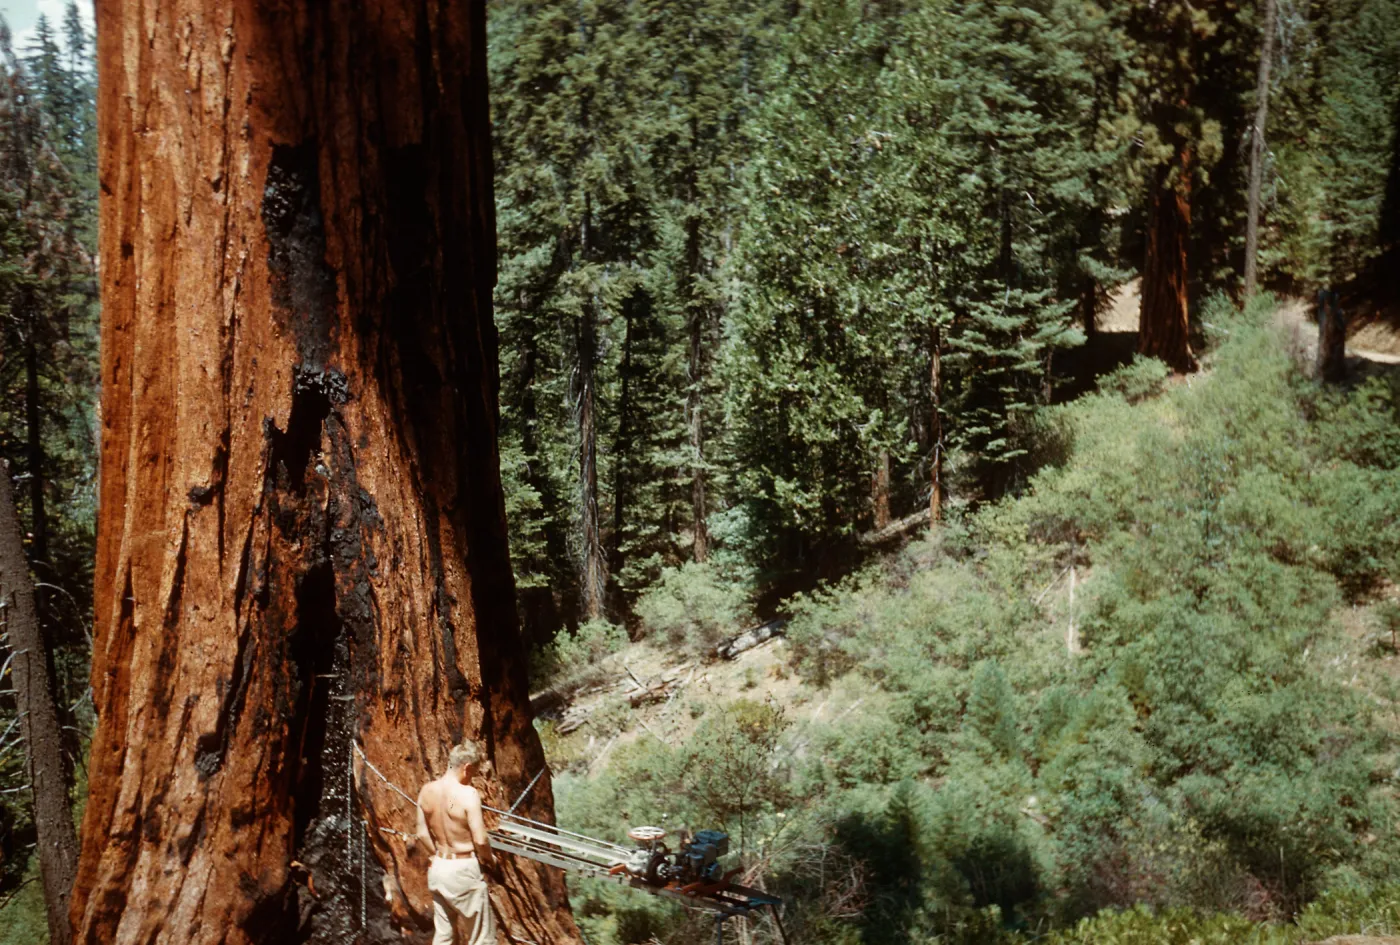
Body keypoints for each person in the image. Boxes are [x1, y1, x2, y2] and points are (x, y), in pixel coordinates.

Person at [417, 741, 498, 945]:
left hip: (438, 868)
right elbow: (480, 839)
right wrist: (490, 859)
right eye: (473, 773)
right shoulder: (467, 794)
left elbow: (421, 833)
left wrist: (437, 854)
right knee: (481, 939)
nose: (471, 778)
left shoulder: (426, 790)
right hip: (463, 869)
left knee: (443, 937)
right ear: (467, 767)